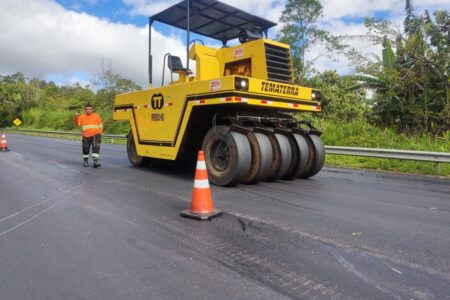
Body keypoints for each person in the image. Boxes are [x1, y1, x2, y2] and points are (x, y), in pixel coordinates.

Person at [74, 103, 103, 168]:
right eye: (87, 109)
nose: (88, 110)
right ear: (85, 110)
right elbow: (77, 123)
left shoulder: (96, 116)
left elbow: (100, 125)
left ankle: (95, 162)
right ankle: (85, 161)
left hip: (96, 134)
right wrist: (76, 116)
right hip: (86, 135)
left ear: (92, 109)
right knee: (85, 148)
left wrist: (100, 133)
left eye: (89, 109)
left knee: (96, 147)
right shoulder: (82, 117)